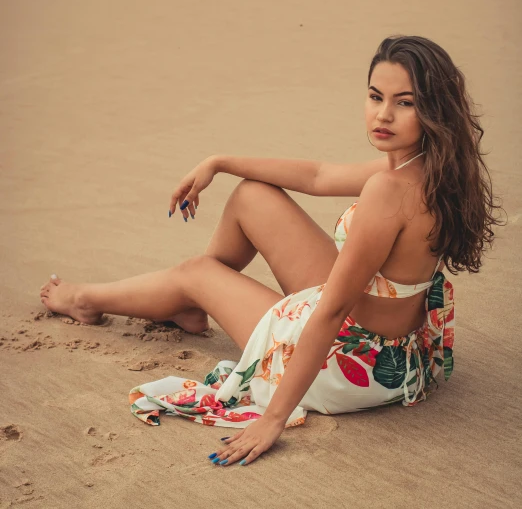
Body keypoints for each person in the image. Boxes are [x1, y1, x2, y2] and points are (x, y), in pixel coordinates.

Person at [40, 35, 502, 468]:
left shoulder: (390, 189)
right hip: (398, 348)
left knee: (198, 271)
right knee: (251, 195)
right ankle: (189, 306)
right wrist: (218, 162)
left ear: (434, 110)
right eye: (375, 96)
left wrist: (274, 419)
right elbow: (319, 176)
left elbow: (333, 308)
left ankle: (90, 300)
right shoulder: (432, 167)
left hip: (350, 362)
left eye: (406, 103)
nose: (383, 115)